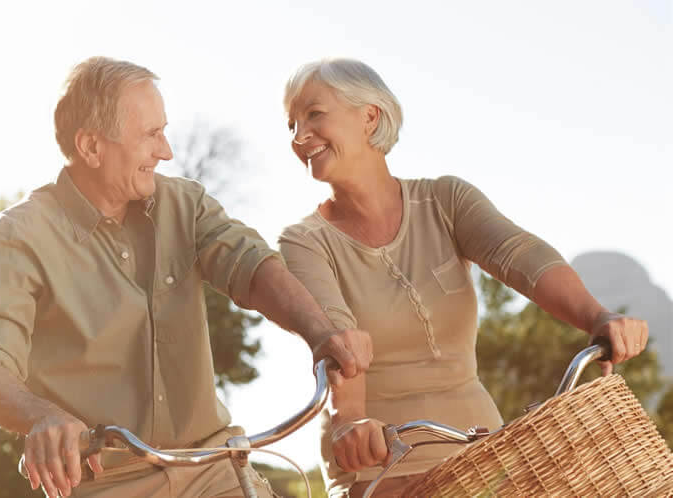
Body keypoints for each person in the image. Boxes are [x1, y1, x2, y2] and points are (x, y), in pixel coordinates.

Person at [0, 56, 375, 498]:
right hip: (106, 484)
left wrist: (320, 331)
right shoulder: (18, 238)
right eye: (151, 135)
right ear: (92, 147)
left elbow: (249, 265)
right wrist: (40, 414)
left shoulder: (183, 205)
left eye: (164, 132)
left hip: (213, 466)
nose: (166, 151)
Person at [277, 58, 650, 497]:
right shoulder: (304, 241)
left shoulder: (445, 201)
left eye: (314, 115)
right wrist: (352, 420)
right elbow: (336, 334)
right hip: (377, 462)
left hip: (480, 450)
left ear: (369, 116)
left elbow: (521, 255)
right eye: (291, 124)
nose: (299, 136)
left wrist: (596, 316)